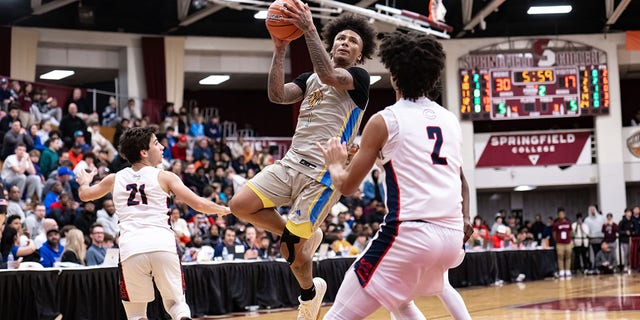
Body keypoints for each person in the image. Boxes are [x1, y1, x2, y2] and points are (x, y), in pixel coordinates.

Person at [228, 6, 377, 319]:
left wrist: (309, 28)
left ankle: (309, 295)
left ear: (359, 57)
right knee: (239, 205)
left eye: (353, 41)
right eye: (340, 38)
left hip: (322, 174)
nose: (345, 43)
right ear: (331, 43)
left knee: (293, 257)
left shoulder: (358, 79)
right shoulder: (310, 79)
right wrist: (280, 49)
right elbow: (278, 95)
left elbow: (329, 74)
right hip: (291, 162)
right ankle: (301, 236)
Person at [318, 30, 472, 319]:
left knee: (339, 314)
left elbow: (348, 186)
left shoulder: (385, 120)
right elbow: (455, 177)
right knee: (399, 302)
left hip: (412, 235)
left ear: (394, 76)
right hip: (452, 238)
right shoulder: (450, 120)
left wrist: (335, 164)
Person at [76, 126, 230, 320]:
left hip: (131, 248)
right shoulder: (165, 176)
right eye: (157, 143)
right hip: (161, 244)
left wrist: (84, 180)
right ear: (144, 152)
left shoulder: (114, 179)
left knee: (136, 313)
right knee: (177, 305)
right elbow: (198, 203)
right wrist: (221, 209)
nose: (163, 147)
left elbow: (84, 195)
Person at [552, 207, 572, 279]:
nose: (561, 215)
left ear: (564, 214)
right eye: (560, 214)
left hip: (567, 242)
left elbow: (570, 232)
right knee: (560, 256)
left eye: (562, 214)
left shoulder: (568, 223)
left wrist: (570, 239)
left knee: (568, 256)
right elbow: (554, 233)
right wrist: (556, 240)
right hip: (560, 243)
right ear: (558, 215)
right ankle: (561, 270)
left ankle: (567, 270)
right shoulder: (556, 224)